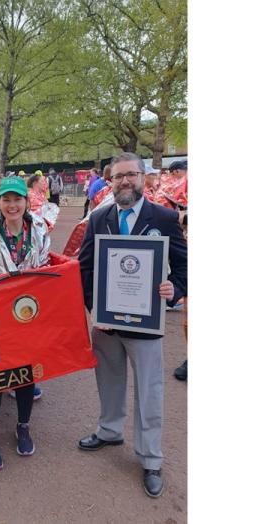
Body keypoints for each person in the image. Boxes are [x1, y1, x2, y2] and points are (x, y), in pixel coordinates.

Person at [76, 152, 187, 499]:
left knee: (149, 393)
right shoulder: (100, 218)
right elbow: (85, 267)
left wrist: (175, 290)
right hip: (107, 327)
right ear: (110, 182)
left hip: (146, 325)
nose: (125, 182)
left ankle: (150, 458)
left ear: (144, 178)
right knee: (108, 381)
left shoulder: (166, 218)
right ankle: (109, 431)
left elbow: (184, 267)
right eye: (118, 177)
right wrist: (96, 310)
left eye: (131, 175)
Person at [0, 176, 51, 471]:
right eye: (6, 200)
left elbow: (44, 271)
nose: (12, 205)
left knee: (26, 376)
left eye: (17, 199)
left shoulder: (39, 230)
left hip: (30, 318)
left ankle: (23, 425)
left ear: (26, 202)